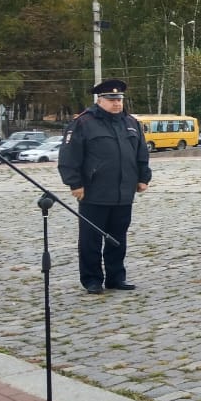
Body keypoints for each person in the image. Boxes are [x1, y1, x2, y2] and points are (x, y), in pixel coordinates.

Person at [57, 79, 151, 294]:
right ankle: (92, 279)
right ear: (100, 100)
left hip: (123, 192)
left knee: (118, 238)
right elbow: (69, 156)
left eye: (119, 99)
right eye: (111, 99)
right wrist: (74, 183)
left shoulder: (131, 122)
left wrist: (143, 177)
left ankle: (116, 277)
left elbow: (141, 153)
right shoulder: (83, 123)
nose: (116, 103)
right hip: (94, 192)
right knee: (90, 240)